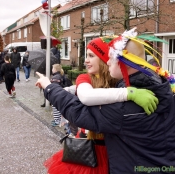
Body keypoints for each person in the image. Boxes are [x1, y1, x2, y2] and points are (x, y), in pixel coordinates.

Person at [36, 28, 175, 173]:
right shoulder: (163, 88)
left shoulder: (123, 108)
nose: (108, 62)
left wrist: (49, 86)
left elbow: (78, 111)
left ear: (125, 62)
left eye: (111, 57)